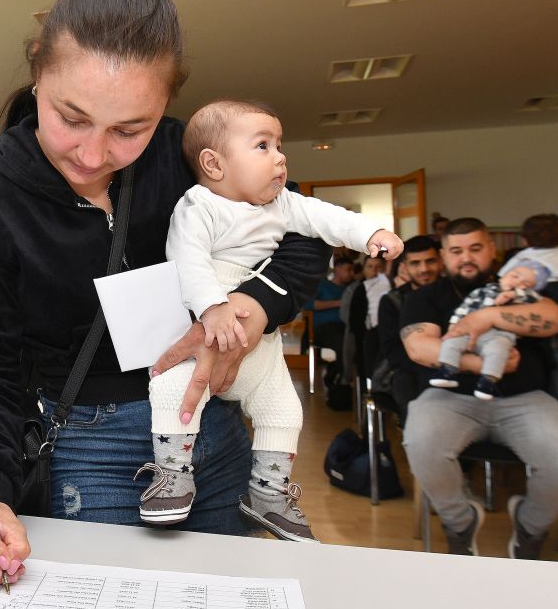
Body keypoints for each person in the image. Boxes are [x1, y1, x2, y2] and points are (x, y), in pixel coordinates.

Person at [0, 0, 329, 590]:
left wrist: (250, 309)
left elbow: (306, 236)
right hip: (91, 449)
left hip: (215, 426)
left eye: (130, 130)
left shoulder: (188, 157)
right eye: (71, 118)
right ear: (38, 72)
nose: (93, 155)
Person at [140, 99, 402, 538]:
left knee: (284, 410)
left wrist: (369, 233)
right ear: (213, 164)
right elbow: (187, 258)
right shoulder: (199, 205)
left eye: (279, 146)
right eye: (263, 146)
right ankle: (172, 475)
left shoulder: (283, 203)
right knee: (172, 391)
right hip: (208, 326)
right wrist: (213, 307)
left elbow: (327, 218)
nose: (280, 157)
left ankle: (268, 493)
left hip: (261, 343)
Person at [400, 218, 558, 559]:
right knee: (420, 441)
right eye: (456, 251)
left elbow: (553, 318)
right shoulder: (425, 297)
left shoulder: (515, 285)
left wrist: (487, 318)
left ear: (491, 250)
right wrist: (480, 363)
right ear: (444, 256)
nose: (466, 258)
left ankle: (529, 527)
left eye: (475, 249)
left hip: (526, 398)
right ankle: (461, 524)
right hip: (450, 397)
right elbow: (419, 348)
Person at [429, 259, 551, 400]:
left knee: (497, 352)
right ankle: (447, 371)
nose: (518, 283)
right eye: (515, 276)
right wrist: (455, 325)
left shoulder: (525, 299)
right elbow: (465, 307)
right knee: (451, 343)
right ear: (503, 276)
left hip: (500, 334)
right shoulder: (482, 291)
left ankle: (487, 382)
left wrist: (515, 294)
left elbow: (535, 298)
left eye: (526, 284)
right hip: (470, 331)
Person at [375, 235, 442, 422]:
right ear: (404, 267)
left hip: (455, 364)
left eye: (430, 261)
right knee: (407, 382)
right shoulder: (393, 301)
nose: (424, 269)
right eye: (415, 263)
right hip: (410, 369)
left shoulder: (452, 292)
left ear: (441, 260)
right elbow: (393, 352)